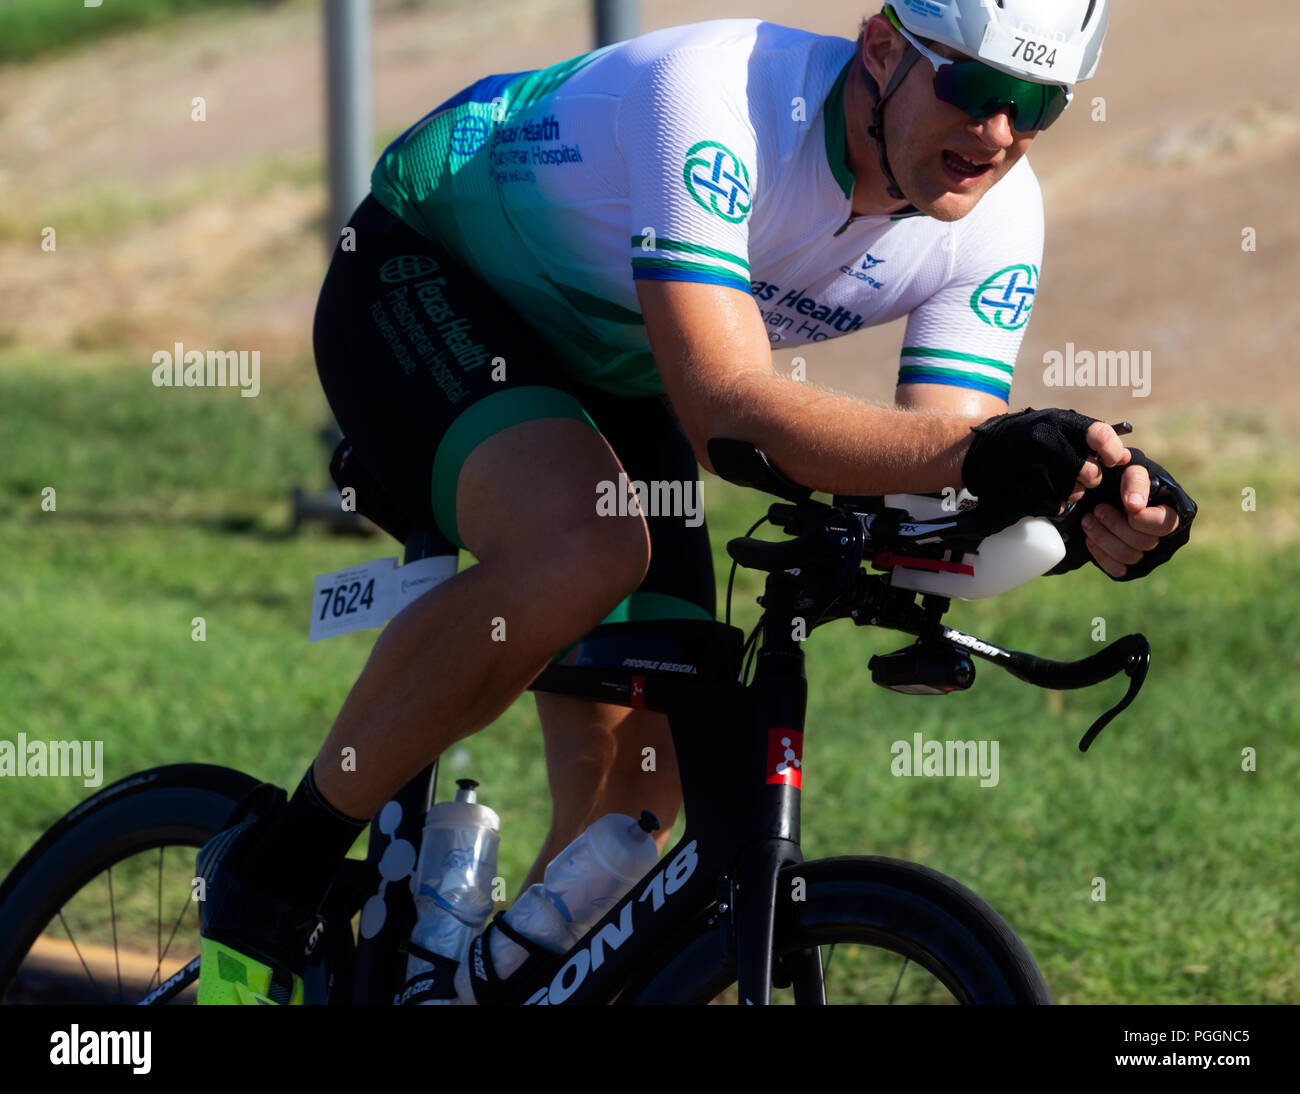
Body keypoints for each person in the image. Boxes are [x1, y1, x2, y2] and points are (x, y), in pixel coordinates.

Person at [195, 0, 1191, 1004]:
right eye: (974, 87)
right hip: (431, 272)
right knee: (582, 546)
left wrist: (1084, 513)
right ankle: (277, 868)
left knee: (637, 797)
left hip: (627, 365)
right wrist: (986, 455)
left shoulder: (999, 218)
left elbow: (934, 481)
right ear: (882, 49)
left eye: (1036, 107)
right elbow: (725, 412)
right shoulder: (719, 96)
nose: (997, 134)